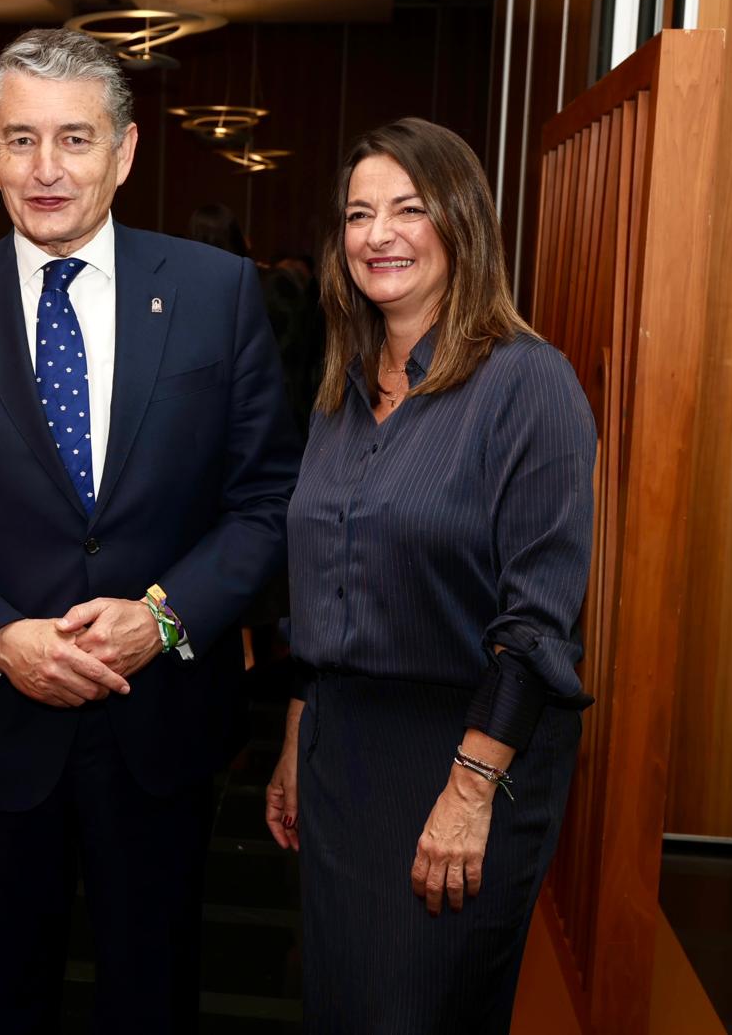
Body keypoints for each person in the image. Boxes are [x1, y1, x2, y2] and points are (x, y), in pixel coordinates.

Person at [0, 29, 299, 1034]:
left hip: (159, 724)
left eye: (74, 139)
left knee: (152, 990)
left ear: (124, 151)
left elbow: (266, 499)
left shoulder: (217, 293)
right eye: (20, 140)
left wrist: (164, 619)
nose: (46, 168)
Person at [265, 117, 596, 1033]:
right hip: (343, 757)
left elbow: (537, 626)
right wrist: (299, 734)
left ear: (461, 223)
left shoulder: (529, 384)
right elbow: (322, 579)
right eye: (359, 213)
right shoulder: (343, 387)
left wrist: (468, 790)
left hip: (459, 758)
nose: (379, 235)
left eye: (408, 209)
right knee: (339, 1008)